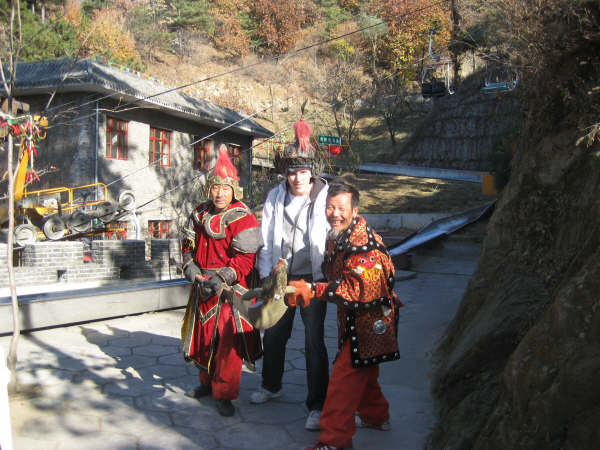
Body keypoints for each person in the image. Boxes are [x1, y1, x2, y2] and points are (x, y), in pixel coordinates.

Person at [286, 182, 403, 450]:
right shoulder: (339, 235)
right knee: (365, 369)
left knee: (343, 379)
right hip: (352, 316)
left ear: (355, 209)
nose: (334, 213)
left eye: (341, 208)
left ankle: (334, 440)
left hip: (371, 321)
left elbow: (357, 288)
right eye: (330, 207)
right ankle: (377, 417)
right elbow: (331, 272)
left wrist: (313, 290)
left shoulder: (365, 245)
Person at [250, 117, 330, 431]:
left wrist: (327, 276)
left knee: (313, 341)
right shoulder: (275, 197)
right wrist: (269, 274)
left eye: (303, 171)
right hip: (281, 276)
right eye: (292, 171)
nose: (297, 177)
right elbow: (267, 238)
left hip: (312, 277)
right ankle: (271, 385)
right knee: (274, 334)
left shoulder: (325, 197)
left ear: (312, 172)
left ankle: (317, 404)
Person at [180, 144, 262, 417]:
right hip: (201, 285)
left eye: (225, 188)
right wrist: (189, 266)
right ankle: (206, 382)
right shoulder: (199, 213)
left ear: (234, 190)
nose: (219, 193)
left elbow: (246, 260)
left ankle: (224, 393)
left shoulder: (243, 217)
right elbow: (187, 245)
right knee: (202, 337)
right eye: (215, 187)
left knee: (227, 344)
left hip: (229, 289)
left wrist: (223, 277)